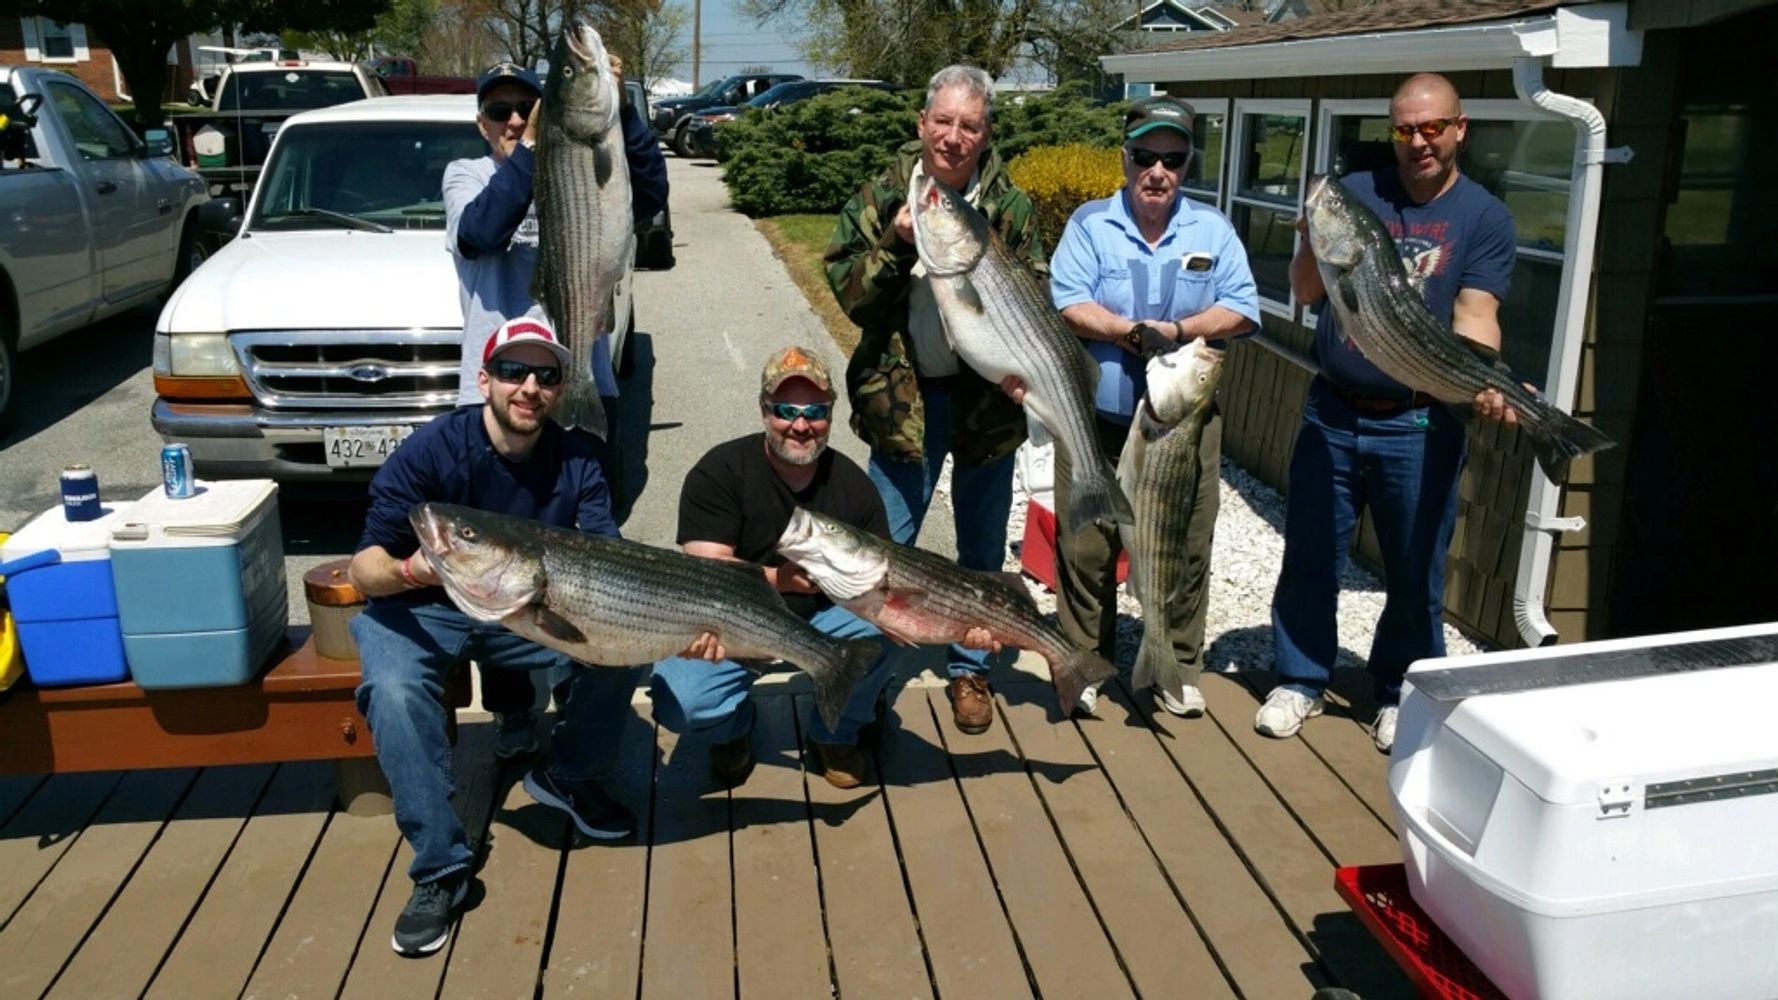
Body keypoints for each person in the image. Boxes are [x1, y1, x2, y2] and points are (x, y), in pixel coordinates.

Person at [349, 316, 644, 957]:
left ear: (561, 389)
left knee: (620, 648)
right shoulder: (430, 453)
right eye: (513, 371)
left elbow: (605, 554)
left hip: (528, 608)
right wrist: (411, 569)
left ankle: (570, 774)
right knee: (394, 693)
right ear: (483, 379)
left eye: (546, 374)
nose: (529, 386)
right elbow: (363, 568)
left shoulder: (581, 457)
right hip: (427, 604)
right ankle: (440, 868)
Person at [1262, 73, 1520, 753]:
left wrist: (1482, 379)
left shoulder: (1484, 217)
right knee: (1312, 553)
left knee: (1415, 565)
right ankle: (1300, 677)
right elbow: (1305, 288)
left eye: (1432, 127)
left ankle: (1399, 689)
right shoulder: (1356, 196)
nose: (1418, 142)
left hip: (1421, 420)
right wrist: (1313, 236)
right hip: (1333, 412)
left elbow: (1477, 315)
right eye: (1404, 129)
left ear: (1460, 128)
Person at [442, 58, 668, 755]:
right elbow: (481, 232)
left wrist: (618, 111)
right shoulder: (469, 175)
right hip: (499, 400)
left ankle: (581, 689)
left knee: (589, 553)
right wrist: (535, 149)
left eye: (525, 108)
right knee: (500, 566)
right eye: (500, 111)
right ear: (482, 122)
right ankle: (513, 710)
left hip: (583, 385)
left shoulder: (581, 157)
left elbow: (650, 192)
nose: (514, 120)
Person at [824, 64, 1045, 737]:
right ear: (922, 123)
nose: (953, 136)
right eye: (942, 121)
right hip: (902, 403)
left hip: (987, 410)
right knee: (880, 555)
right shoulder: (885, 193)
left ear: (986, 133)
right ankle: (862, 689)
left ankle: (969, 669)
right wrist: (895, 240)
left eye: (969, 125)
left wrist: (1024, 371)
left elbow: (1034, 301)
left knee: (980, 553)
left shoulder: (1011, 207)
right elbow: (849, 296)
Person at [1045, 96, 1259, 718]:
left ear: (1188, 163)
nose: (1158, 172)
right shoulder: (1089, 224)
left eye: (1173, 159)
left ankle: (1177, 664)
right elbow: (1067, 298)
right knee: (1087, 547)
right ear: (1126, 158)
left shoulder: (1212, 230)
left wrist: (1178, 329)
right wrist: (1124, 330)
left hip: (1183, 427)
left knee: (1183, 546)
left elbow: (1244, 308)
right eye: (1145, 157)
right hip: (1097, 425)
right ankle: (1086, 662)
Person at [647, 346, 911, 790]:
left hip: (826, 620)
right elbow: (704, 577)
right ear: (764, 411)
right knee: (681, 702)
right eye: (786, 410)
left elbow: (882, 583)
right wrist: (779, 580)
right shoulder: (720, 472)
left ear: (830, 414)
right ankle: (733, 728)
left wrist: (965, 626)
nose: (801, 425)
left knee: (894, 629)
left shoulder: (854, 488)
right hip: (730, 625)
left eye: (816, 411)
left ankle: (834, 731)